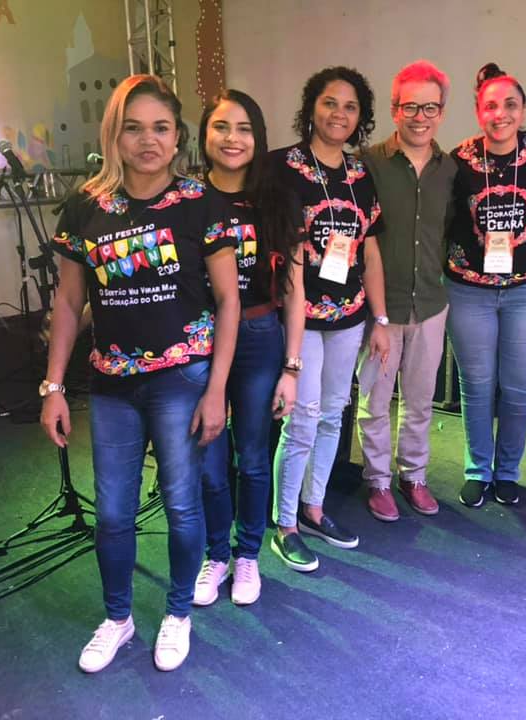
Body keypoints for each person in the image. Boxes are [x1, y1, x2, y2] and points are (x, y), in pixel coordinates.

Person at [40, 74, 240, 673]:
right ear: (114, 134)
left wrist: (217, 390)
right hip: (112, 385)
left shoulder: (202, 203)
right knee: (112, 514)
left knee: (182, 505)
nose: (148, 140)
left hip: (183, 379)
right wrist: (54, 387)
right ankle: (118, 619)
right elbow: (68, 302)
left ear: (178, 137)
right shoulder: (86, 207)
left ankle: (178, 613)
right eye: (134, 128)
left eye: (161, 128)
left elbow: (228, 300)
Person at [270, 66, 390, 572]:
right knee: (302, 419)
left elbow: (372, 253)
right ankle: (285, 524)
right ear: (311, 107)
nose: (339, 114)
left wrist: (380, 318)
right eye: (329, 102)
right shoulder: (283, 167)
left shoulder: (361, 176)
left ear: (361, 117)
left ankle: (314, 508)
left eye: (350, 106)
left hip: (350, 315)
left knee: (333, 414)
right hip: (300, 316)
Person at [191, 89, 305, 607]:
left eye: (243, 128)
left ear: (258, 137)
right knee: (209, 459)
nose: (232, 138)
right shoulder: (186, 199)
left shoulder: (277, 200)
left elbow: (296, 291)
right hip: (200, 341)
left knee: (253, 456)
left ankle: (248, 557)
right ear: (204, 135)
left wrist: (292, 368)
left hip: (259, 338)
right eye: (221, 126)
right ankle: (216, 555)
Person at [447, 62, 526, 509]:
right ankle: (477, 470)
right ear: (477, 111)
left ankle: (507, 472)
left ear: (523, 110)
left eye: (510, 105)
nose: (499, 114)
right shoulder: (459, 160)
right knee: (477, 386)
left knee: (520, 388)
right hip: (469, 290)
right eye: (490, 106)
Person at [357, 60, 456, 522]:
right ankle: (377, 480)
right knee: (374, 401)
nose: (420, 117)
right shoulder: (368, 165)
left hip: (430, 304)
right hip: (380, 306)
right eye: (410, 106)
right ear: (395, 109)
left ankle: (413, 475)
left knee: (419, 400)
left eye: (430, 107)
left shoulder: (450, 169)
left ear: (442, 112)